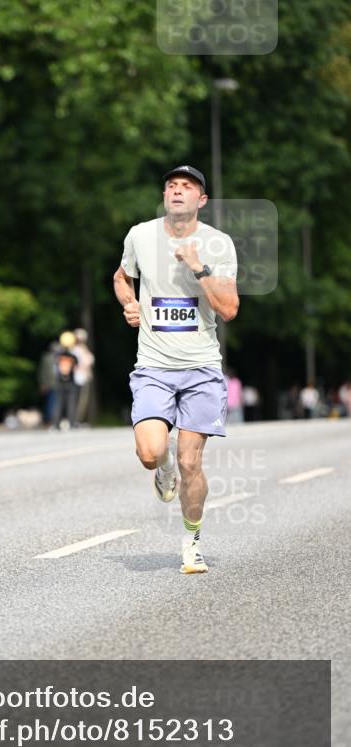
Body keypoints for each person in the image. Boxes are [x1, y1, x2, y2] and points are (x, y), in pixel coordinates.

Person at [113, 164, 239, 574]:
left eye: (187, 187)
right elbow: (121, 277)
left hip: (201, 367)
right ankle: (161, 468)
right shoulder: (140, 235)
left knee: (191, 463)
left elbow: (229, 309)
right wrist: (129, 303)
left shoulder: (218, 244)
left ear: (201, 200)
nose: (178, 191)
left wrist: (198, 267)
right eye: (172, 185)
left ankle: (192, 541)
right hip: (153, 364)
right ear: (165, 196)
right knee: (151, 453)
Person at [51, 331, 80, 430]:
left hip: (60, 381)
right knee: (71, 403)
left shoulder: (57, 356)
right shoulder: (73, 356)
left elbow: (55, 367)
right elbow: (76, 366)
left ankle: (56, 424)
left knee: (58, 403)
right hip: (71, 382)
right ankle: (72, 423)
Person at [73, 328, 95, 424]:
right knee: (77, 399)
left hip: (83, 377)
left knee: (82, 400)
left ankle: (78, 419)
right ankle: (74, 419)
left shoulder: (83, 349)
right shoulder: (75, 349)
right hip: (77, 377)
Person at [38, 342, 58, 426]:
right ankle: (48, 420)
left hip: (58, 384)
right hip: (50, 384)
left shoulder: (59, 358)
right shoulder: (46, 358)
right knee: (50, 403)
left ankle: (53, 420)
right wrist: (43, 384)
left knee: (54, 403)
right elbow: (42, 372)